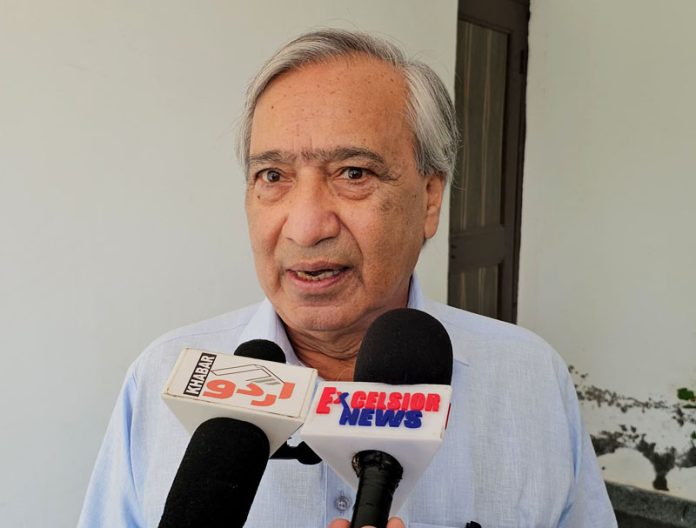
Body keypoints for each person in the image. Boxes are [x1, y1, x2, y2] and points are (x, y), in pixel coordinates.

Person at [78, 29, 617, 527]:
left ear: (430, 199)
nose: (306, 227)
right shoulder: (160, 376)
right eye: (273, 175)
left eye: (354, 173)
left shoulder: (530, 380)